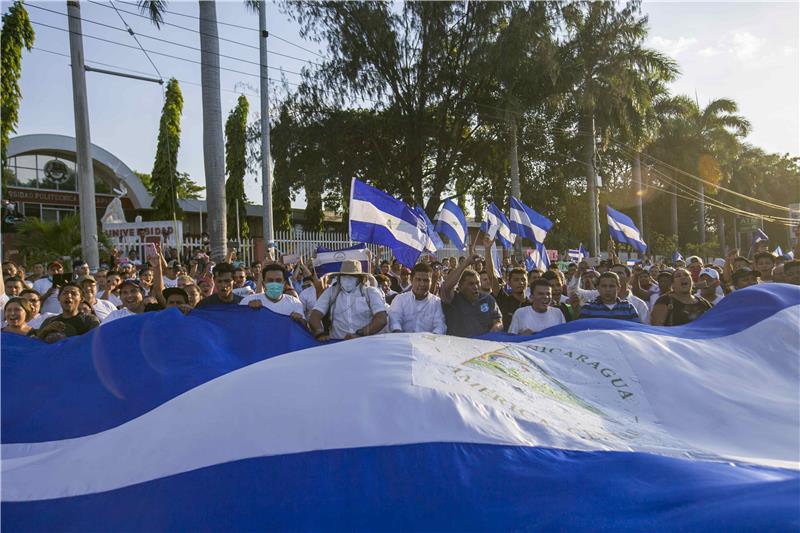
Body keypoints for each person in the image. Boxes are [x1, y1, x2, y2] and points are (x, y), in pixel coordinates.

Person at [309, 260, 387, 340]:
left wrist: (360, 333)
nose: (347, 278)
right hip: (338, 344)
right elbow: (315, 314)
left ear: (360, 278)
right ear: (339, 277)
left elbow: (381, 318)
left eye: (352, 276)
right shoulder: (331, 292)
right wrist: (320, 332)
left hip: (365, 343)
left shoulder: (371, 292)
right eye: (344, 275)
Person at [440, 254, 503, 338]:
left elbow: (498, 321)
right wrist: (466, 263)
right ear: (460, 286)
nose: (476, 287)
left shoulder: (488, 299)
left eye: (477, 283)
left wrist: (496, 328)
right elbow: (446, 287)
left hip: (484, 347)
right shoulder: (452, 299)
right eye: (471, 284)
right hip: (458, 348)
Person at [388, 263, 446, 334]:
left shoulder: (437, 302)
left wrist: (431, 340)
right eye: (418, 280)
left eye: (426, 280)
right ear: (411, 280)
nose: (422, 284)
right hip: (402, 341)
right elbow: (395, 321)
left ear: (431, 282)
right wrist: (400, 336)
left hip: (428, 343)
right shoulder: (400, 299)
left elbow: (440, 326)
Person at [240, 263, 305, 322]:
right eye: (270, 280)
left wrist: (300, 321)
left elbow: (303, 330)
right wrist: (247, 310)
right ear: (263, 283)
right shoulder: (248, 301)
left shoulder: (295, 303)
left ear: (284, 283)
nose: (274, 283)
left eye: (278, 280)